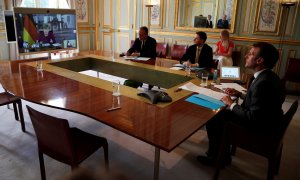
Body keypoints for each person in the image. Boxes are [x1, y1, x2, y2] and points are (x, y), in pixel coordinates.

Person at [197, 42, 285, 167]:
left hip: (259, 128)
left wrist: (231, 104)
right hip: (269, 120)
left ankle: (218, 158)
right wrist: (241, 94)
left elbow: (253, 117)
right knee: (219, 116)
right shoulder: (270, 76)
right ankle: (218, 153)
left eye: (250, 54)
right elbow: (261, 101)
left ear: (259, 60)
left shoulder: (263, 83)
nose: (246, 56)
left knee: (215, 118)